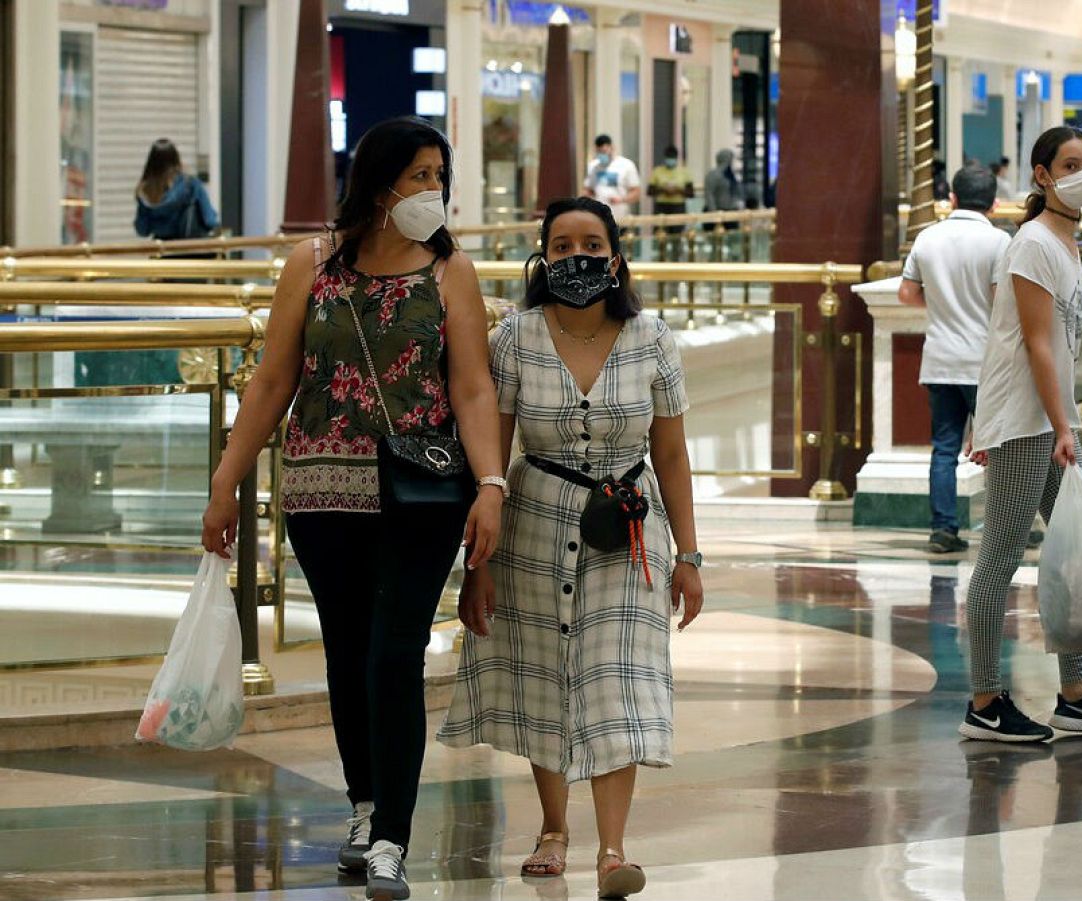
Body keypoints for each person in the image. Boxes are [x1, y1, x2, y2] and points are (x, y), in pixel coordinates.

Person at [201, 117, 504, 900]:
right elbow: (273, 380)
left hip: (422, 492)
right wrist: (227, 480)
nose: (433, 189)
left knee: (396, 654)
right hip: (320, 488)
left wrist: (491, 484)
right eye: (420, 175)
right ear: (378, 184)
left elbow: (473, 387)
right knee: (346, 652)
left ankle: (393, 838)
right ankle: (366, 808)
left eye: (440, 175)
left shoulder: (451, 272)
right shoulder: (311, 265)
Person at [440, 196, 702, 900]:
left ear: (616, 258)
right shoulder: (515, 337)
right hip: (533, 522)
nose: (576, 257)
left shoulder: (652, 336)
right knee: (546, 671)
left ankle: (613, 850)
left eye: (591, 244)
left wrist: (689, 556)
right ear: (542, 256)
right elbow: (490, 452)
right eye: (561, 246)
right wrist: (478, 565)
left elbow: (672, 454)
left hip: (629, 531)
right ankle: (553, 828)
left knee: (619, 677)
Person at [961, 126, 1082, 744]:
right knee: (998, 562)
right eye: (1071, 165)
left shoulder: (1065, 243)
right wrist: (1060, 426)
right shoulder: (1034, 244)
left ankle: (1076, 694)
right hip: (1028, 424)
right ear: (1041, 175)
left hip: (1047, 419)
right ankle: (984, 701)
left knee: (1072, 553)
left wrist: (1063, 421)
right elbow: (1036, 345)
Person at [898, 165, 1010, 553]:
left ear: (952, 199)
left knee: (944, 448)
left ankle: (943, 529)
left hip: (941, 358)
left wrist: (941, 306)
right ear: (994, 204)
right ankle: (1003, 529)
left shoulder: (927, 237)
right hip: (985, 363)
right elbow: (1001, 300)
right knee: (1001, 449)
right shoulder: (998, 242)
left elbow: (906, 293)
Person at [134, 139, 219, 240]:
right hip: (188, 245)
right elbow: (210, 220)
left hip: (161, 246)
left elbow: (142, 230)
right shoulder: (191, 185)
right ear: (176, 158)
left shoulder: (145, 192)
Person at [583, 134, 642, 218]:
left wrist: (621, 199)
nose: (602, 154)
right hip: (598, 216)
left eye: (604, 151)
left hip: (619, 216)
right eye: (599, 152)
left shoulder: (626, 165)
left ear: (612, 147)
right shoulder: (593, 166)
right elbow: (588, 190)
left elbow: (636, 193)